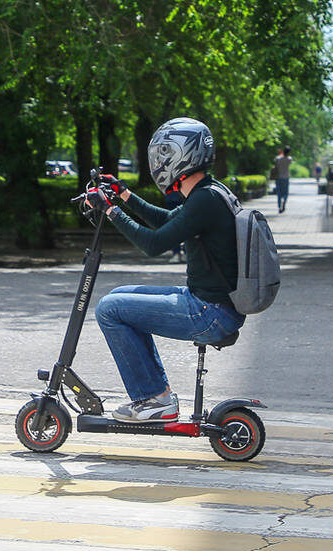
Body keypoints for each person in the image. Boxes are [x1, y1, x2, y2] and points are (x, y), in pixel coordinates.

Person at [84, 117, 243, 422]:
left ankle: (154, 400)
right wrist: (124, 194)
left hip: (210, 312)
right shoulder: (209, 192)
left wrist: (110, 209)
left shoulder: (205, 200)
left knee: (109, 309)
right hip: (211, 304)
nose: (159, 162)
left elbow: (154, 244)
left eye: (163, 155)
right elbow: (165, 221)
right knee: (121, 296)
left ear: (182, 156)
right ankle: (157, 396)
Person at [272, 146, 292, 213]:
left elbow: (276, 162)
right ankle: (284, 203)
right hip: (286, 177)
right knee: (285, 192)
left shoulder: (278, 158)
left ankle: (279, 206)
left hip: (279, 177)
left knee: (279, 193)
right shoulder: (289, 159)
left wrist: (280, 153)